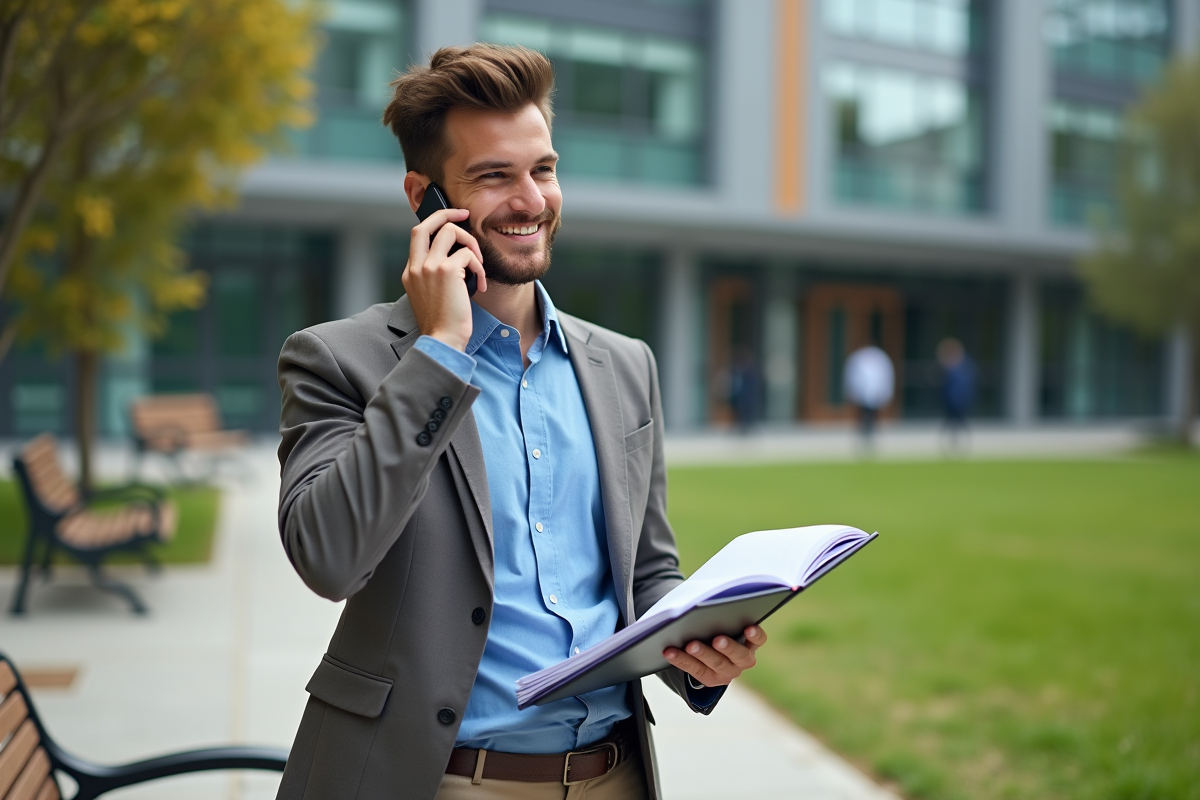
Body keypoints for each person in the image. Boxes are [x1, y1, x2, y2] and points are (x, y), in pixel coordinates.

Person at [273, 45, 767, 800]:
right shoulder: (336, 360)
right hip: (438, 780)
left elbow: (646, 574)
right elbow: (329, 558)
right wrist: (440, 352)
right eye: (494, 176)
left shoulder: (625, 365)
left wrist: (699, 653)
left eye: (542, 168)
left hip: (615, 773)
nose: (532, 200)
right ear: (425, 197)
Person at [843, 339, 894, 450]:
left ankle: (870, 439)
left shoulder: (877, 357)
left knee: (871, 418)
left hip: (873, 394)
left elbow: (885, 376)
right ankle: (864, 439)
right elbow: (853, 377)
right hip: (863, 394)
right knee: (863, 418)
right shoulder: (860, 358)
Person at [937, 337, 976, 453]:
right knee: (951, 424)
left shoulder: (963, 368)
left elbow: (966, 387)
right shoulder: (952, 368)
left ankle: (961, 445)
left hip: (959, 402)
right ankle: (952, 445)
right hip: (951, 402)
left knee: (959, 424)